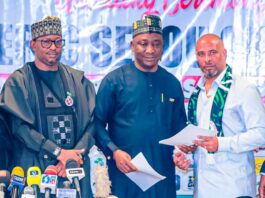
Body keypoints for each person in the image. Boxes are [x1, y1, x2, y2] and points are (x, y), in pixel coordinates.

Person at [0, 16, 95, 197]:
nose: (53, 47)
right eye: (46, 42)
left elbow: (92, 125)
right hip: (34, 170)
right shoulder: (19, 81)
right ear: (33, 44)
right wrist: (58, 153)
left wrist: (72, 158)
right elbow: (20, 128)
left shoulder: (78, 81)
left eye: (58, 41)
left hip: (72, 169)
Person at [95, 15, 187, 198]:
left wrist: (181, 151)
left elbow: (180, 130)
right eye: (143, 43)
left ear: (163, 47)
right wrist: (114, 151)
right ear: (132, 46)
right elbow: (95, 125)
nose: (150, 50)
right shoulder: (114, 80)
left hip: (163, 178)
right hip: (125, 175)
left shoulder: (172, 83)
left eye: (156, 44)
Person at [174, 33, 265, 198]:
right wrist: (184, 152)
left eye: (213, 52)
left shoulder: (244, 89)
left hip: (235, 189)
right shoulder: (197, 94)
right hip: (202, 190)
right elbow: (198, 137)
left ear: (225, 53)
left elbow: (261, 134)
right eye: (201, 54)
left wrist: (221, 144)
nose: (207, 59)